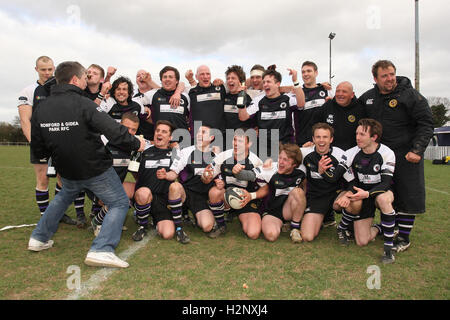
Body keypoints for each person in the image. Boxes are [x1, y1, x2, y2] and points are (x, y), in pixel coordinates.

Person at [28, 61, 145, 269]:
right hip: (94, 166)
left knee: (64, 196)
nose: (86, 81)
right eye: (84, 77)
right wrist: (137, 143)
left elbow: (38, 145)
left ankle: (38, 238)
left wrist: (55, 161)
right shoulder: (84, 104)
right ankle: (102, 249)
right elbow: (113, 130)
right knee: (119, 202)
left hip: (66, 167)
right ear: (75, 80)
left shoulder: (42, 107)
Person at [359, 60, 434, 253]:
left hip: (405, 155)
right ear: (375, 78)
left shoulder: (410, 95)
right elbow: (354, 116)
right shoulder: (368, 97)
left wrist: (417, 149)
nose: (390, 78)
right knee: (384, 193)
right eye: (384, 76)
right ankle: (388, 228)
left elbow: (426, 123)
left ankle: (403, 237)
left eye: (392, 74)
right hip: (380, 157)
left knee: (407, 194)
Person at [17, 56, 77, 225]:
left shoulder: (59, 89)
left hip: (59, 142)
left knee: (61, 179)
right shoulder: (28, 91)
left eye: (50, 69)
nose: (47, 73)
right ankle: (46, 217)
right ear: (36, 69)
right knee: (43, 179)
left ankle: (58, 213)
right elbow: (24, 120)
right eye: (43, 69)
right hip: (40, 143)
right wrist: (34, 143)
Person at [333, 119, 397, 264]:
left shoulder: (387, 152)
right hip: (361, 194)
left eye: (362, 134)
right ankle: (379, 228)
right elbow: (335, 176)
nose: (357, 137)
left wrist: (367, 194)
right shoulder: (352, 152)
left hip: (380, 191)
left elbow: (386, 183)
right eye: (356, 133)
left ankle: (388, 249)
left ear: (373, 137)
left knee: (383, 199)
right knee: (362, 241)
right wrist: (322, 170)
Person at [157, 124, 225, 238]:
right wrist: (165, 175)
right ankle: (179, 228)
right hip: (186, 192)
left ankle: (196, 214)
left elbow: (220, 177)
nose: (199, 134)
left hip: (201, 197)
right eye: (198, 132)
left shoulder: (216, 155)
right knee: (175, 187)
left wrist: (220, 182)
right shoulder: (185, 152)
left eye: (203, 132)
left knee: (207, 226)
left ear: (212, 137)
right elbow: (174, 173)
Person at [90, 112, 151, 236]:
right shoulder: (104, 140)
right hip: (95, 185)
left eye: (133, 130)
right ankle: (97, 221)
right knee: (120, 196)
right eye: (126, 128)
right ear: (119, 125)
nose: (129, 132)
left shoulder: (135, 145)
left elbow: (134, 170)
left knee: (141, 189)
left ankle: (120, 219)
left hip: (114, 186)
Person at [203, 128, 268, 239]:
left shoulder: (256, 162)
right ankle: (221, 225)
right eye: (234, 140)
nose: (236, 144)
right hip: (226, 198)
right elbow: (206, 178)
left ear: (249, 144)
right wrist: (206, 177)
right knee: (214, 192)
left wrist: (250, 196)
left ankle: (242, 215)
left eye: (241, 141)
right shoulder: (223, 156)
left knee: (253, 234)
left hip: (245, 200)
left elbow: (266, 188)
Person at [132, 120, 190, 244]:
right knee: (143, 192)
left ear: (170, 137)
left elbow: (176, 174)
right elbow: (133, 171)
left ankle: (178, 228)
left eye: (164, 132)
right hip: (147, 197)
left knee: (168, 234)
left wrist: (166, 175)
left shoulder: (176, 154)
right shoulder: (143, 152)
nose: (160, 134)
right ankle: (142, 226)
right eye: (158, 131)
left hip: (164, 199)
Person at [238, 67, 305, 157]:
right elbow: (243, 117)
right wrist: (241, 99)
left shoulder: (287, 98)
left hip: (287, 148)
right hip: (266, 150)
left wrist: (295, 81)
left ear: (278, 84)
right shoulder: (259, 101)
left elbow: (301, 103)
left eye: (268, 82)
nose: (265, 84)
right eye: (264, 82)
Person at [299, 123, 350, 242]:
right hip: (317, 197)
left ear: (331, 139)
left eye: (325, 137)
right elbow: (286, 156)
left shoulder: (340, 154)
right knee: (307, 236)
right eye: (318, 137)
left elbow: (352, 180)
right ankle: (324, 218)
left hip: (336, 195)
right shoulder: (304, 153)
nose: (321, 140)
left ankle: (349, 226)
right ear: (313, 139)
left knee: (350, 201)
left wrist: (347, 195)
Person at [252, 143, 306, 243]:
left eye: (285, 160)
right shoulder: (271, 170)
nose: (280, 162)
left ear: (294, 164)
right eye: (280, 158)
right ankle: (284, 224)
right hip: (272, 211)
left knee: (298, 192)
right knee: (271, 236)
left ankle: (295, 227)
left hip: (288, 209)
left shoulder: (301, 172)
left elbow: (305, 187)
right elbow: (251, 175)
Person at [294, 61, 332, 148]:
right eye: (303, 72)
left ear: (316, 73)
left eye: (309, 71)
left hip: (323, 142)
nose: (306, 74)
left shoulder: (327, 90)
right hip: (304, 143)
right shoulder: (297, 93)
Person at [188, 65, 227, 140]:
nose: (205, 77)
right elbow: (181, 85)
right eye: (202, 74)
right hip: (200, 137)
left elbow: (238, 84)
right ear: (196, 77)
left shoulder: (220, 88)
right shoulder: (192, 92)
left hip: (219, 136)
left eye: (208, 74)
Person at [224, 65, 253, 130]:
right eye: (228, 78)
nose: (230, 80)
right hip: (225, 137)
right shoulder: (224, 96)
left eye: (233, 78)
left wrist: (241, 95)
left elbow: (243, 118)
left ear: (240, 82)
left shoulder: (247, 98)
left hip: (240, 137)